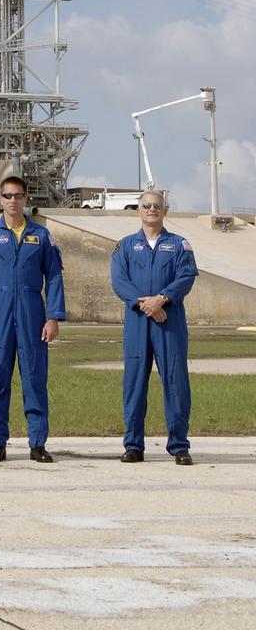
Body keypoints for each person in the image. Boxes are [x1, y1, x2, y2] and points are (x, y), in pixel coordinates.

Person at [0, 175, 66, 463]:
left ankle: (37, 442)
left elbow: (55, 276)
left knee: (34, 378)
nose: (13, 201)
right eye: (8, 196)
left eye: (18, 196)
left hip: (31, 311)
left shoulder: (42, 235)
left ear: (26, 199)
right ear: (1, 200)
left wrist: (54, 317)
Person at [110, 189, 198, 465]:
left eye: (157, 205)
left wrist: (162, 299)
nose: (152, 209)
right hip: (138, 324)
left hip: (169, 323)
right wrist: (145, 305)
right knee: (134, 383)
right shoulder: (125, 246)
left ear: (165, 210)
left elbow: (186, 276)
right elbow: (119, 281)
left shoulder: (179, 244)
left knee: (176, 382)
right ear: (138, 210)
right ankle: (133, 445)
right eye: (146, 205)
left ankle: (179, 445)